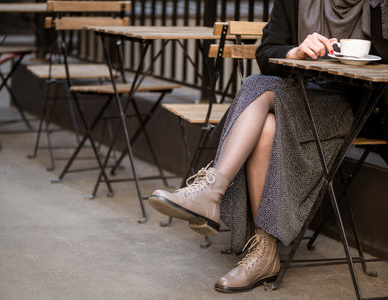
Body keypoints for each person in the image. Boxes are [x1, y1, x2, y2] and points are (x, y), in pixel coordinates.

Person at [148, 0, 388, 294]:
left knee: (256, 88)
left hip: (353, 108)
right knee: (265, 124)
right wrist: (295, 51)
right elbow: (267, 51)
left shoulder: (381, 7)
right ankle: (264, 251)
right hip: (298, 96)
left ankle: (211, 191)